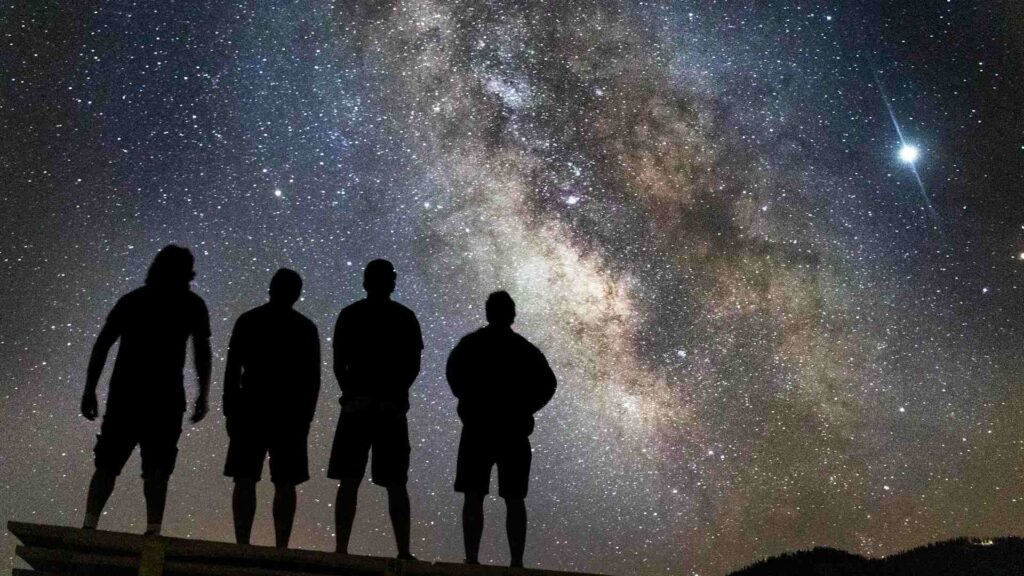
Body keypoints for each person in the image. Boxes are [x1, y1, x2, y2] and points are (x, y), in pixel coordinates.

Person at [79, 245, 212, 536]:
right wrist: (203, 393)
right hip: (164, 397)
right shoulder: (192, 305)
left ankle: (90, 523)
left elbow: (102, 345)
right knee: (157, 466)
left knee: (109, 463)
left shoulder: (133, 301)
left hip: (126, 394)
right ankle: (153, 528)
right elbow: (202, 352)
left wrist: (90, 389)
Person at [446, 291, 556, 568]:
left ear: (488, 313)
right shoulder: (526, 350)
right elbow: (548, 384)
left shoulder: (470, 344)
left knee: (474, 495)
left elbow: (453, 373)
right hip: (513, 430)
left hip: (478, 428)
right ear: (512, 315)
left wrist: (467, 403)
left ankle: (472, 559)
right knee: (514, 498)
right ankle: (516, 562)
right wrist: (526, 408)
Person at [328, 259, 422, 559]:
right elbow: (412, 366)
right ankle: (403, 552)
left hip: (359, 407)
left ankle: (342, 549)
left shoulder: (351, 314)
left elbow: (339, 363)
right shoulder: (405, 317)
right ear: (391, 282)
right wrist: (394, 397)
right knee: (394, 482)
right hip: (388, 409)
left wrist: (352, 394)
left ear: (365, 281)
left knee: (351, 480)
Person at [222, 269, 321, 548]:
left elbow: (232, 369)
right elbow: (312, 379)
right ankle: (281, 546)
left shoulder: (249, 320)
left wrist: (229, 407)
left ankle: (243, 543)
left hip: (253, 407)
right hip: (288, 413)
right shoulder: (305, 328)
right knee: (284, 481)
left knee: (246, 477)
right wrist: (306, 416)